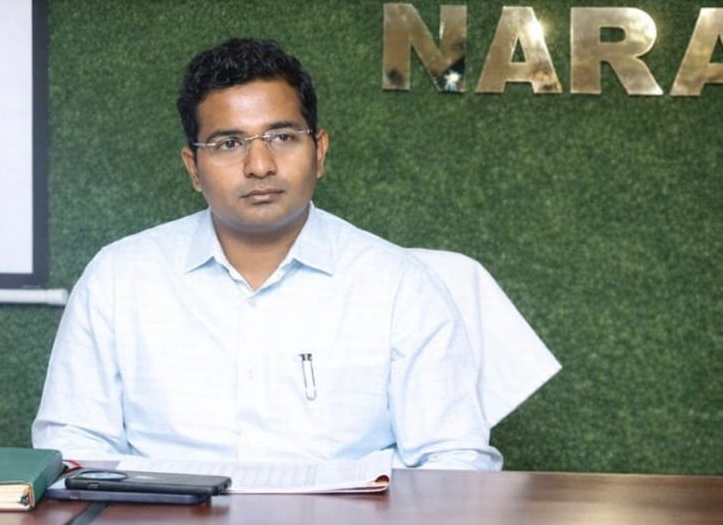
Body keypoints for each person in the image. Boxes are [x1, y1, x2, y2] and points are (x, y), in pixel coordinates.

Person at [32, 38, 502, 470]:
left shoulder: (400, 284)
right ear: (193, 168)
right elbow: (73, 445)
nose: (260, 165)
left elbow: (455, 459)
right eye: (229, 143)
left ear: (319, 151)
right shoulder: (120, 277)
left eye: (282, 137)